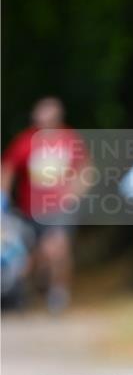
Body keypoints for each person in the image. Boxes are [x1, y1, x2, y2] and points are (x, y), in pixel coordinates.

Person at [1, 97, 88, 314]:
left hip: (60, 207)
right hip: (30, 209)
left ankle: (58, 293)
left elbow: (85, 169)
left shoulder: (70, 139)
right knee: (36, 255)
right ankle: (38, 287)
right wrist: (3, 197)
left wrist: (75, 193)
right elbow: (8, 168)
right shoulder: (26, 141)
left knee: (57, 246)